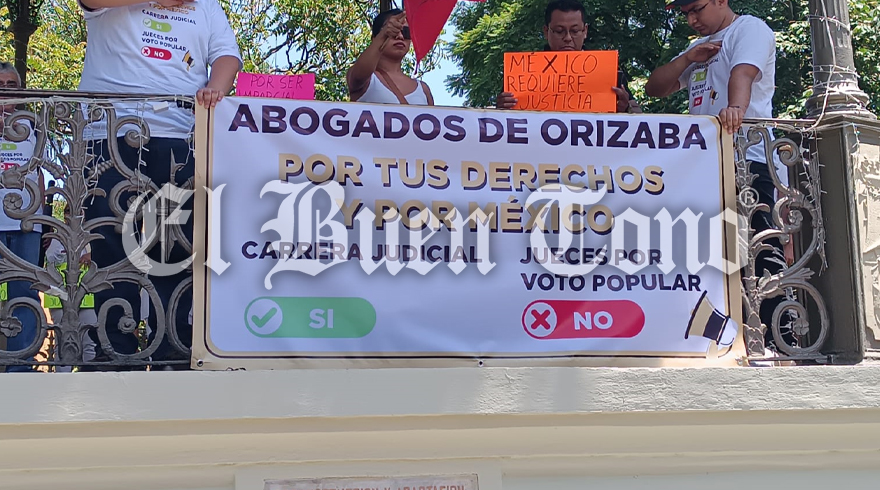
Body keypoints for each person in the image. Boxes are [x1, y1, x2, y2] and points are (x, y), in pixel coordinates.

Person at [78, 0, 242, 366]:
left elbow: (227, 56)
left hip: (179, 137)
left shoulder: (207, 7)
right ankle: (114, 348)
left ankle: (171, 345)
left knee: (172, 245)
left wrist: (215, 89)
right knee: (110, 243)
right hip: (109, 133)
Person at [644, 0, 792, 351]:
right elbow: (655, 88)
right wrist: (687, 59)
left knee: (759, 248)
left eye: (697, 8)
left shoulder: (749, 29)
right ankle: (729, 341)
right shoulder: (698, 47)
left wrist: (736, 109)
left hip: (747, 161)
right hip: (705, 166)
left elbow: (743, 73)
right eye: (686, 14)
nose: (692, 19)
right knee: (714, 255)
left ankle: (779, 341)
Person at [496, 0, 640, 113]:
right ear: (546, 31)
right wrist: (501, 110)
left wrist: (625, 108)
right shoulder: (521, 74)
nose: (568, 38)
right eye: (559, 31)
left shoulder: (610, 74)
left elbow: (640, 121)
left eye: (575, 31)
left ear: (585, 31)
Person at [0, 61, 44, 372]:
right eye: (0, 84)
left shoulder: (34, 126)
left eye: (11, 85)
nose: (5, 90)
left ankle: (21, 367)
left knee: (25, 293)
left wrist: (45, 220)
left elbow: (41, 173)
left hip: (27, 223)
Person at [44, 204, 97, 371]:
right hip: (59, 296)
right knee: (63, 344)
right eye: (68, 211)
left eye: (78, 211)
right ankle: (62, 382)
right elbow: (48, 262)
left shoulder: (92, 235)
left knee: (90, 342)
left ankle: (90, 380)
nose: (72, 214)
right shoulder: (54, 236)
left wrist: (92, 255)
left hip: (87, 295)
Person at [347, 9, 435, 106]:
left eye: (406, 32)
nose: (400, 36)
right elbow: (359, 75)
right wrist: (383, 35)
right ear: (375, 38)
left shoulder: (423, 90)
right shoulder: (367, 79)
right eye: (393, 31)